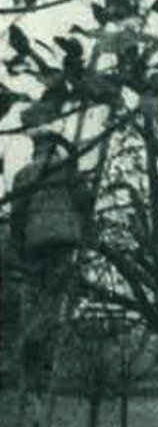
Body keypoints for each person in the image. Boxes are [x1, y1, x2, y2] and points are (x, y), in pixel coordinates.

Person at [9, 131, 91, 394]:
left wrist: (20, 250)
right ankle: (44, 362)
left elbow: (17, 217)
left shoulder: (23, 174)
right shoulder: (67, 169)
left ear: (37, 150)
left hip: (34, 245)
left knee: (35, 301)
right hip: (63, 241)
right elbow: (85, 201)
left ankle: (30, 355)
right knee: (55, 302)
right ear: (58, 149)